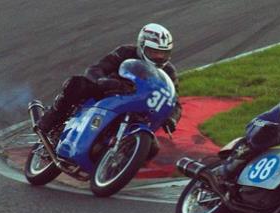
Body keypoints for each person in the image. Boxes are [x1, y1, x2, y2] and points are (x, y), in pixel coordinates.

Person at [36, 23, 182, 134]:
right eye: (154, 52)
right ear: (142, 46)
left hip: (139, 106)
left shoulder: (169, 72)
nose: (159, 57)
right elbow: (96, 68)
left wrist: (172, 118)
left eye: (163, 53)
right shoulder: (125, 52)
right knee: (76, 84)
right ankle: (51, 118)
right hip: (109, 92)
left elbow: (174, 101)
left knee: (152, 147)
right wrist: (103, 81)